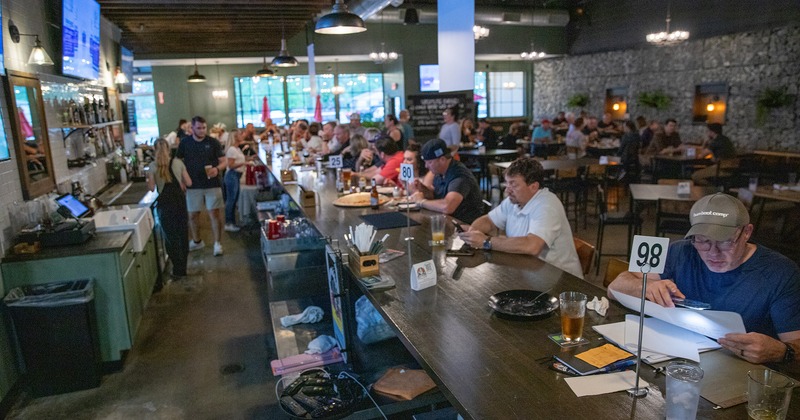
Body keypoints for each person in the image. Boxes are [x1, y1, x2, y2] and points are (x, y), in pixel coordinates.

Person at [608, 193, 800, 368]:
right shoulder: (681, 251)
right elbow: (615, 286)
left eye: (725, 241)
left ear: (747, 232)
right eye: (702, 240)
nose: (713, 253)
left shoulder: (780, 273)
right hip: (682, 361)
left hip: (744, 370)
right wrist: (647, 286)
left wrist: (782, 352)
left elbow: (796, 344)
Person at [457, 157, 584, 279]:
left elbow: (532, 246)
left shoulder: (547, 205)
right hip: (530, 273)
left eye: (514, 185)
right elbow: (488, 220)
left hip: (561, 282)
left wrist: (486, 242)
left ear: (533, 186)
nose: (507, 190)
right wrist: (472, 232)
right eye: (507, 183)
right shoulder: (513, 201)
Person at [177, 116, 227, 256]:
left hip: (212, 183)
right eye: (199, 128)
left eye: (204, 127)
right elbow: (178, 163)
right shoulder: (185, 143)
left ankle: (217, 243)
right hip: (193, 185)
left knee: (214, 214)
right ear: (192, 128)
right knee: (193, 215)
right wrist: (181, 180)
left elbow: (224, 161)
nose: (202, 130)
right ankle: (197, 241)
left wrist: (217, 169)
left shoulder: (213, 142)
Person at [147, 138, 192, 280]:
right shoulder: (178, 163)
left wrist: (148, 179)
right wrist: (182, 182)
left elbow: (152, 188)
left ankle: (177, 268)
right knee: (182, 235)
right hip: (179, 203)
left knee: (170, 237)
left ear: (154, 150)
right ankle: (183, 268)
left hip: (165, 205)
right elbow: (189, 182)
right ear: (169, 148)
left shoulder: (153, 166)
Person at [409, 139, 483, 224]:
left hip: (466, 226)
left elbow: (447, 207)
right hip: (448, 221)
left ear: (442, 159)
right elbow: (435, 195)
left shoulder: (459, 176)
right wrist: (422, 188)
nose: (426, 166)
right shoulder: (440, 172)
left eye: (429, 162)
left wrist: (421, 202)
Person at [223, 130, 254, 232]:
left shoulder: (236, 149)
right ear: (236, 137)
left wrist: (250, 158)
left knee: (233, 199)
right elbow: (231, 165)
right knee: (231, 200)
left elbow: (240, 159)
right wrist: (245, 163)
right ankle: (229, 222)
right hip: (232, 176)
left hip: (236, 175)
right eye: (240, 134)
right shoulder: (232, 150)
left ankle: (232, 222)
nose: (243, 135)